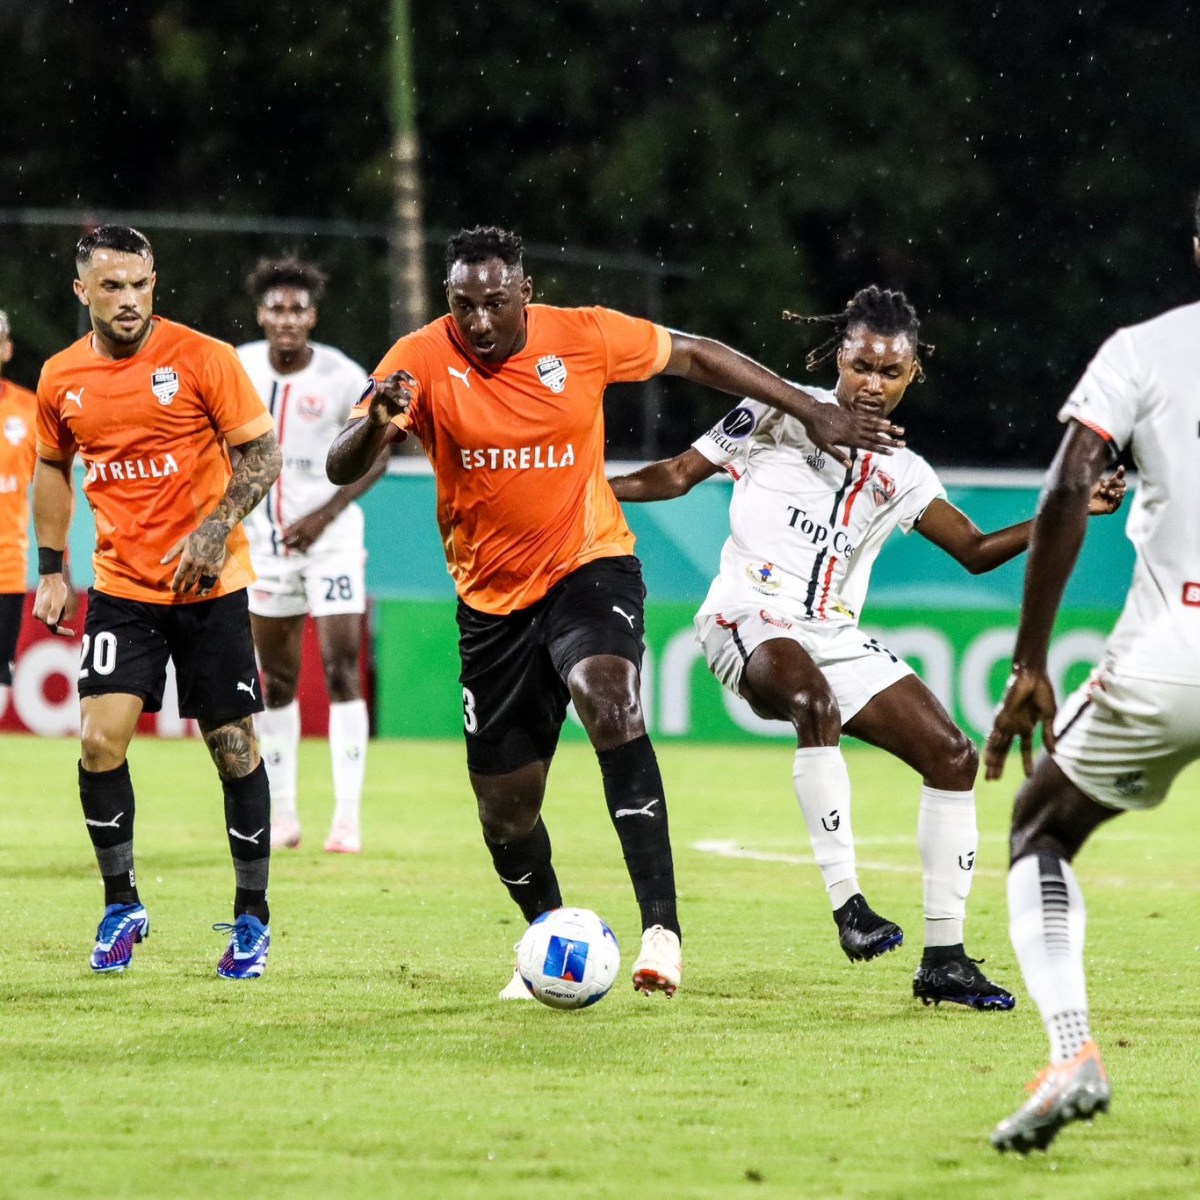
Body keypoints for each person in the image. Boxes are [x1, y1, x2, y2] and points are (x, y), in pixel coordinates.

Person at [326, 226, 903, 1000]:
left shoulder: (585, 335)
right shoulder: (419, 360)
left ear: (525, 292)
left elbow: (696, 352)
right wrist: (374, 421)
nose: (480, 322)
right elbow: (342, 464)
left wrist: (813, 411)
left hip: (587, 563)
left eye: (495, 303)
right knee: (506, 812)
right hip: (490, 604)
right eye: (463, 306)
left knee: (610, 696)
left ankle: (661, 930)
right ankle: (551, 936)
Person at [609, 285, 1125, 1010]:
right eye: (861, 366)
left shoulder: (904, 473)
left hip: (832, 635)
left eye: (891, 373)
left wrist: (1068, 508)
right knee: (811, 700)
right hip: (745, 612)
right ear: (837, 357)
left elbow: (974, 550)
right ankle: (849, 906)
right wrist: (589, 491)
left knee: (953, 754)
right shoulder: (773, 409)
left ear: (913, 375)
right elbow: (674, 475)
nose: (873, 385)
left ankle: (944, 959)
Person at [984, 192, 1200, 1153]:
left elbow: (1072, 479)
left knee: (1040, 826)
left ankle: (1073, 1055)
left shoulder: (1145, 349)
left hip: (1177, 661)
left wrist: (1031, 660)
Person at [33, 224, 283, 979]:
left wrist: (215, 528)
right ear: (82, 291)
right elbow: (52, 468)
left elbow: (263, 453)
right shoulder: (60, 378)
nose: (129, 299)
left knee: (233, 749)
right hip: (122, 588)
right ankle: (121, 903)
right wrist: (51, 567)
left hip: (210, 586)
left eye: (140, 283)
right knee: (98, 742)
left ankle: (251, 919)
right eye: (111, 286)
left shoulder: (204, 358)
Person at [238, 257, 388, 855]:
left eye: (297, 308)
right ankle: (285, 814)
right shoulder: (239, 367)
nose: (286, 319)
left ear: (313, 315)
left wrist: (324, 516)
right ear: (260, 314)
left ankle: (346, 818)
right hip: (264, 546)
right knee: (274, 681)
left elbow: (377, 451)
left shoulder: (342, 375)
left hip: (331, 542)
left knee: (342, 670)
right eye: (276, 308)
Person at [1, 308, 60, 713]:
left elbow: (53, 488)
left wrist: (58, 568)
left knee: (1, 673)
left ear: (6, 349)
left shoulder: (29, 409)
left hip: (6, 567)